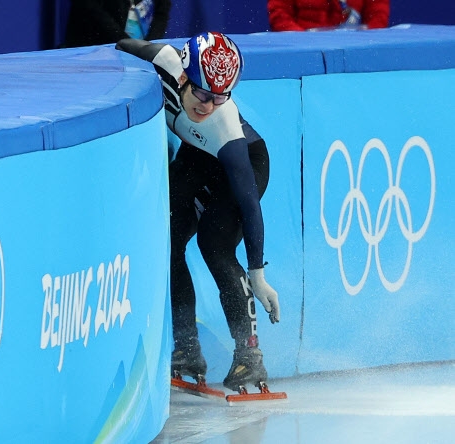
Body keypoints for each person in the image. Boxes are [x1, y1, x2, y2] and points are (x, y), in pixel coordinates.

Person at [116, 32, 280, 392]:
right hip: (196, 157)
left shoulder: (226, 129)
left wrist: (257, 273)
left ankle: (249, 355)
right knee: (170, 240)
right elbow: (122, 46)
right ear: (184, 77)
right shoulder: (166, 61)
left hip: (242, 166)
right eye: (202, 94)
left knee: (215, 246)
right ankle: (187, 348)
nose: (207, 106)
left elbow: (250, 207)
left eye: (219, 98)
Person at [63, 0, 171, 48]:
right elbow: (90, 8)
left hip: (133, 49)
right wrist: (127, 43)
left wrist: (150, 45)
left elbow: (162, 12)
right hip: (90, 47)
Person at [268, 0, 390, 32]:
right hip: (306, 52)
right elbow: (280, 15)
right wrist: (305, 45)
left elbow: (378, 16)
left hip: (352, 52)